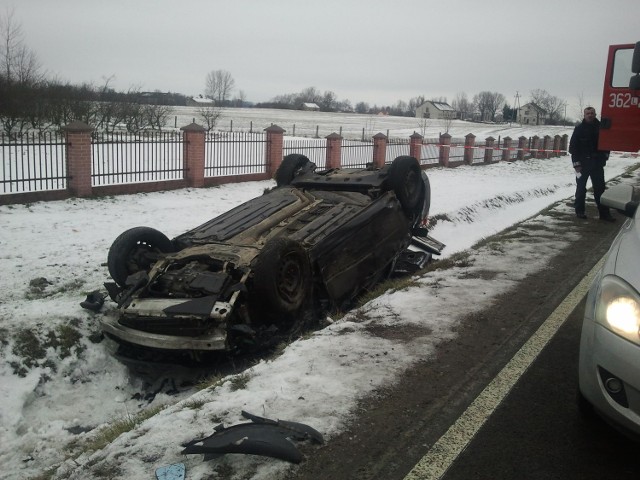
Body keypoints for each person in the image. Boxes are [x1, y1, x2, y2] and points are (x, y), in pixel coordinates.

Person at [568, 106, 615, 221]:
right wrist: (576, 164)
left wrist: (604, 158)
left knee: (600, 190)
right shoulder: (579, 129)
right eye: (587, 113)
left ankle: (604, 215)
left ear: (595, 114)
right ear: (584, 115)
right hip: (582, 166)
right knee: (580, 189)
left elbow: (607, 145)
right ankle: (580, 212)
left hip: (597, 164)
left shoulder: (601, 128)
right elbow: (573, 148)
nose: (590, 115)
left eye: (592, 113)